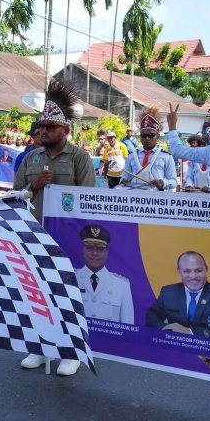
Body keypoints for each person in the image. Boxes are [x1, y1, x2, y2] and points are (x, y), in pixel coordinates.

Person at [14, 81, 96, 376]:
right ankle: (38, 347)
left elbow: (90, 200)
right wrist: (31, 187)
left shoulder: (79, 158)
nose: (43, 131)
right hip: (35, 237)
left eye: (50, 126)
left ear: (64, 130)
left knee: (68, 296)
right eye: (42, 126)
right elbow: (15, 196)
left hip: (69, 239)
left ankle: (71, 352)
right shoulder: (31, 158)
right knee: (36, 294)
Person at [145, 251, 210, 342]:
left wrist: (190, 333)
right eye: (187, 271)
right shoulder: (168, 292)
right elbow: (151, 316)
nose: (193, 276)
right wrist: (167, 330)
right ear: (179, 271)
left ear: (206, 269)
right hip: (174, 352)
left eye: (198, 270)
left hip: (206, 356)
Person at [74, 225, 133, 323]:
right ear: (83, 250)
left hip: (109, 339)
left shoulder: (122, 285)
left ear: (106, 253)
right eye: (90, 248)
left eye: (100, 250)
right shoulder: (70, 279)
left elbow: (127, 327)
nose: (95, 253)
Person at [119, 108, 177, 191]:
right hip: (135, 199)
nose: (147, 138)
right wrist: (123, 181)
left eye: (151, 135)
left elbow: (174, 181)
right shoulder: (131, 156)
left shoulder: (166, 157)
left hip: (156, 200)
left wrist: (162, 182)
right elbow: (124, 178)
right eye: (143, 135)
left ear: (158, 135)